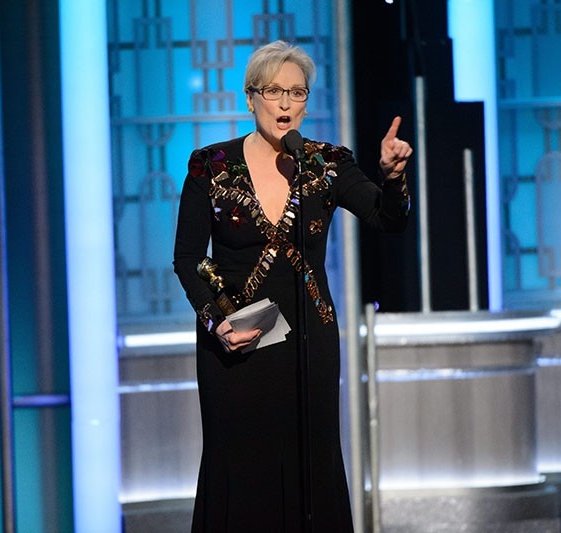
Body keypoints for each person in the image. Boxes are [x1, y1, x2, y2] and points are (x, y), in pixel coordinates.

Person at [173, 40, 412, 532]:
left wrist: (391, 178)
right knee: (238, 467)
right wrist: (218, 322)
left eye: (297, 93)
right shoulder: (211, 167)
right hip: (235, 345)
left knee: (311, 463)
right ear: (250, 97)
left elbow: (388, 219)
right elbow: (188, 258)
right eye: (274, 91)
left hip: (309, 342)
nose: (285, 104)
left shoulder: (325, 164)